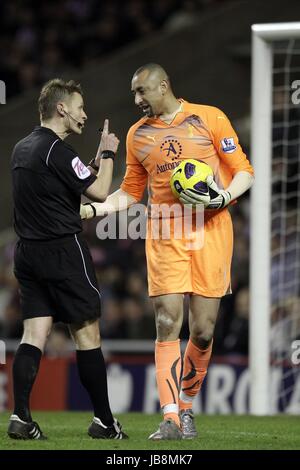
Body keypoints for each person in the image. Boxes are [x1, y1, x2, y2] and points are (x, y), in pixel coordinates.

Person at [81, 63, 254, 440]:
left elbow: (244, 170)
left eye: (142, 91)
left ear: (163, 86)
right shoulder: (137, 135)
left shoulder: (209, 118)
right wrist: (95, 208)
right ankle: (172, 417)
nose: (137, 99)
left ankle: (187, 406)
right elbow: (129, 192)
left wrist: (224, 195)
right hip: (165, 233)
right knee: (166, 322)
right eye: (134, 94)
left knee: (204, 331)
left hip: (211, 231)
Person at [9, 78, 128, 440]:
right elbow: (101, 191)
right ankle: (105, 423)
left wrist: (89, 163)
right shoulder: (57, 149)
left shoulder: (22, 147)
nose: (84, 114)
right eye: (79, 107)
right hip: (62, 251)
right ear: (62, 108)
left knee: (34, 334)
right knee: (87, 333)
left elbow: (60, 187)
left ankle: (21, 417)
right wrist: (107, 152)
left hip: (27, 254)